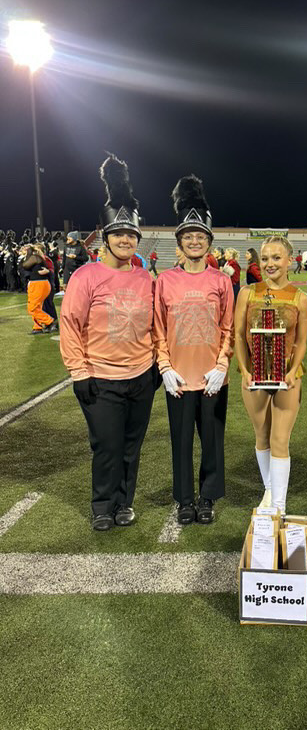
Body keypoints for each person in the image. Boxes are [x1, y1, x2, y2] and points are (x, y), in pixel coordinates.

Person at [60, 154, 158, 531]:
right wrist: (78, 372)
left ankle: (123, 503)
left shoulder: (146, 277)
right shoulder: (87, 276)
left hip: (140, 376)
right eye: (118, 234)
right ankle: (103, 504)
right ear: (106, 237)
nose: (125, 240)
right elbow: (70, 324)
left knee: (132, 447)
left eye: (131, 235)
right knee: (107, 446)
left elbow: (155, 324)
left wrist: (153, 366)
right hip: (100, 379)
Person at [153, 175, 233, 525]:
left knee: (212, 442)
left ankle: (208, 497)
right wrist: (165, 367)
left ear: (209, 242)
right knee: (181, 441)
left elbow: (228, 328)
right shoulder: (165, 281)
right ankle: (185, 499)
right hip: (179, 379)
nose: (195, 241)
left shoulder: (221, 281)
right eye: (189, 236)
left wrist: (222, 365)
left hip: (212, 378)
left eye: (200, 236)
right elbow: (158, 328)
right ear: (180, 243)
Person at [235, 235, 307, 512]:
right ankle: (269, 490)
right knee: (262, 435)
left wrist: (291, 372)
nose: (269, 264)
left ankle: (278, 505)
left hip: (287, 375)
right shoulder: (247, 293)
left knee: (280, 438)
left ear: (289, 260)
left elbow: (301, 341)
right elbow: (239, 336)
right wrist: (244, 369)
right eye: (264, 258)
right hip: (254, 374)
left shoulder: (300, 298)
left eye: (276, 258)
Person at [21, 243, 56, 334]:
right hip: (40, 283)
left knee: (32, 308)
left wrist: (28, 253)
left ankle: (49, 321)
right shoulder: (40, 257)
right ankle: (37, 327)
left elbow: (24, 265)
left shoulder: (35, 257)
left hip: (38, 284)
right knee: (37, 307)